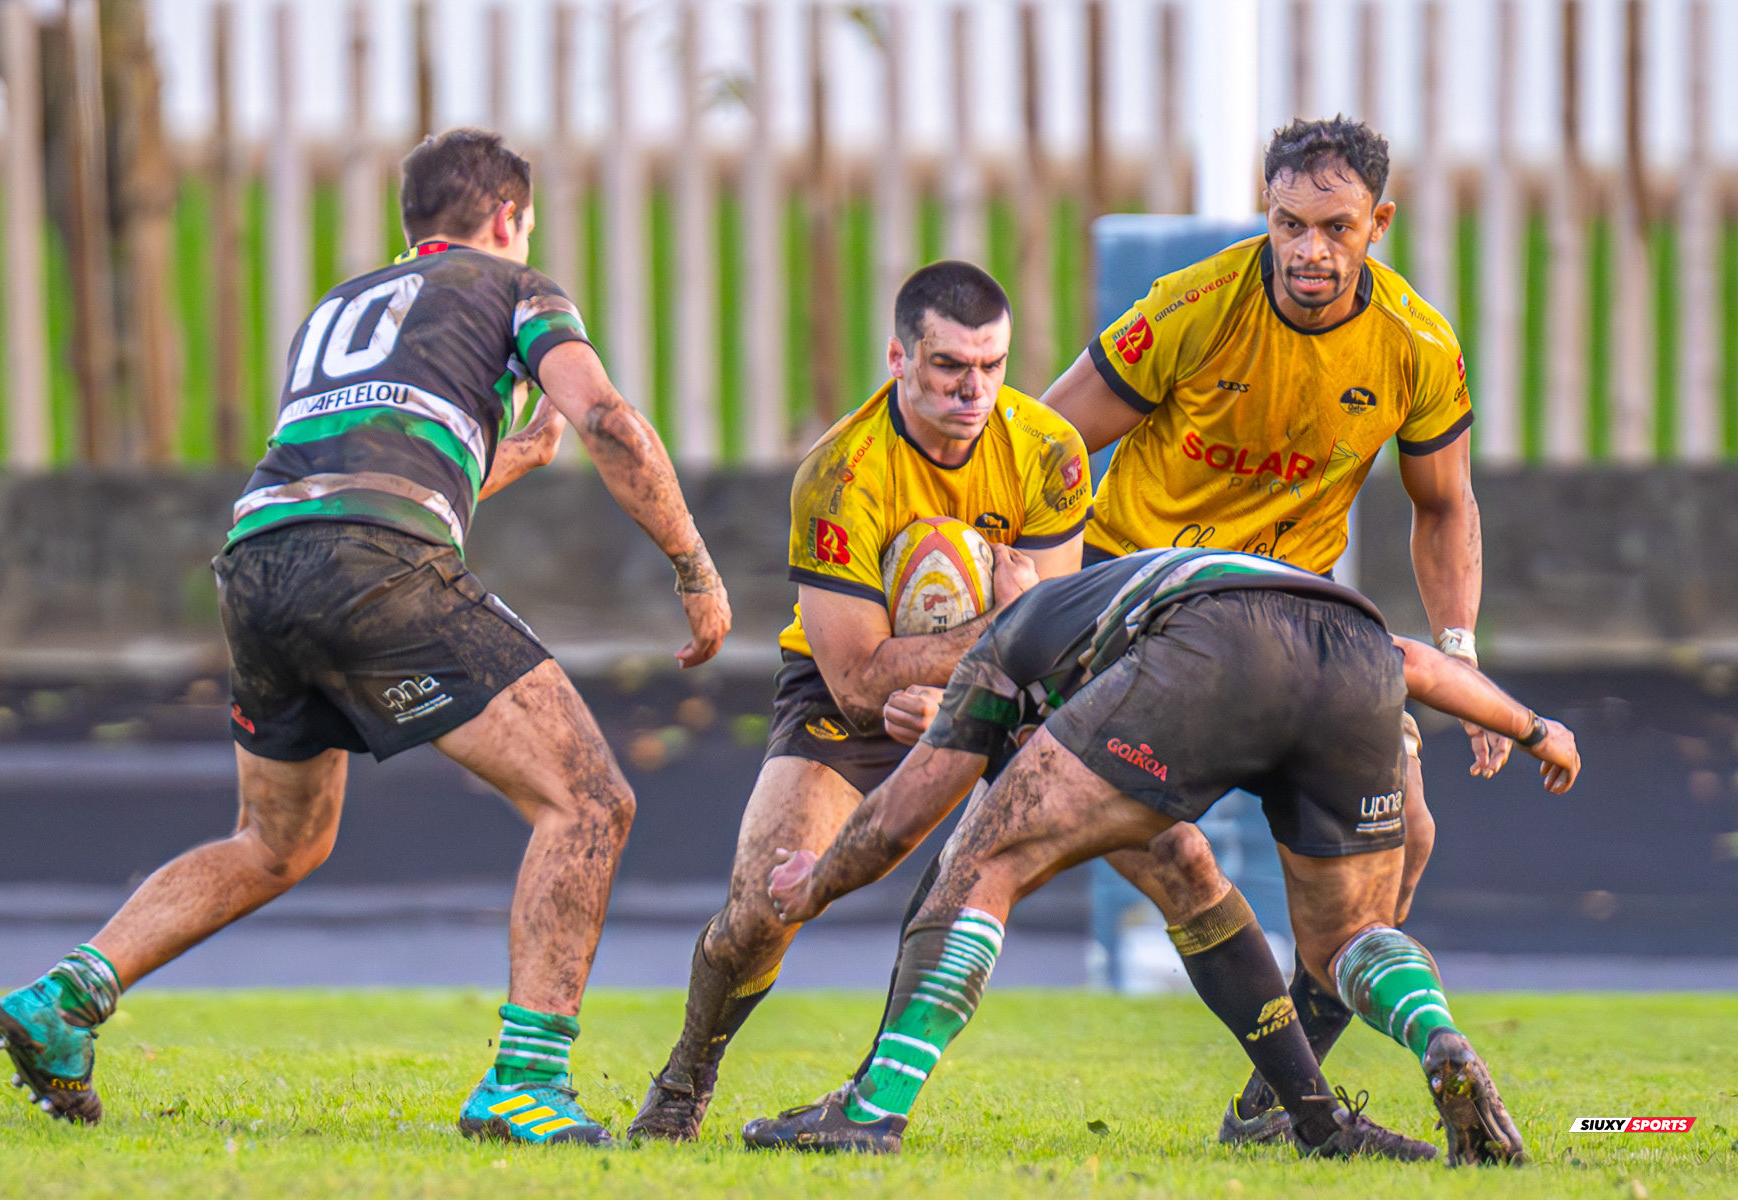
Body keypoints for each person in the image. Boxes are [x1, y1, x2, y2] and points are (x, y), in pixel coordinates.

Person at [0, 129, 731, 1148]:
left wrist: (496, 461)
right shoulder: (516, 287)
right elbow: (607, 418)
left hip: (257, 563)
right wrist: (693, 564)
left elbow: (366, 471)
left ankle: (64, 1000)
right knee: (588, 801)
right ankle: (526, 1081)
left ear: (409, 225)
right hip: (373, 566)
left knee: (279, 840)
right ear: (510, 218)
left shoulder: (341, 307)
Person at [747, 548, 1579, 1164]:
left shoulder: (1005, 644)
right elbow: (1417, 662)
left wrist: (812, 882)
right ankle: (1435, 1036)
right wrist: (1536, 729)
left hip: (1211, 648)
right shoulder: (1138, 582)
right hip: (1355, 649)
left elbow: (900, 818)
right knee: (1345, 937)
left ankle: (873, 1109)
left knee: (982, 866)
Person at [1026, 115, 1498, 1141]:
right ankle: (871, 1092)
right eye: (1288, 224)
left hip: (1294, 623)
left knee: (1407, 835)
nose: (1308, 252)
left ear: (1379, 221)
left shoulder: (1416, 346)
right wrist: (1024, 602)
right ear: (1266, 214)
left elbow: (1445, 504)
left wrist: (1458, 652)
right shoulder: (1195, 306)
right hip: (1142, 598)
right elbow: (1052, 445)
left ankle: (1275, 1103)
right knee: (1103, 849)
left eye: (1334, 227)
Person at [626, 262, 1091, 1142]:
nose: (974, 389)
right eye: (950, 365)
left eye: (991, 365)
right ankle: (687, 1078)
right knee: (765, 906)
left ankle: (1292, 1105)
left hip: (1001, 700)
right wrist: (996, 625)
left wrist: (979, 673)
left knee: (1172, 856)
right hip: (848, 701)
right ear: (897, 358)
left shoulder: (1050, 452)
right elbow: (858, 678)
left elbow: (1049, 648)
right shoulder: (839, 473)